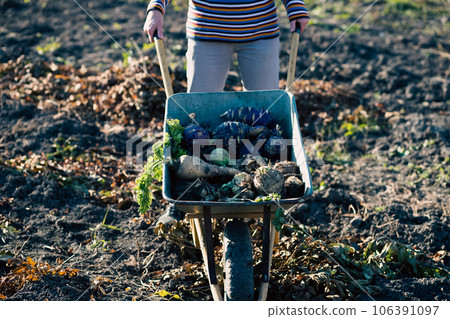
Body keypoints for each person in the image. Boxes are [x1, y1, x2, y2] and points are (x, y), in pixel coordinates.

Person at [143, 0, 309, 93]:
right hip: (206, 35)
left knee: (264, 106)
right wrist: (156, 9)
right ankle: (202, 153)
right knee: (202, 106)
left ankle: (258, 154)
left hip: (260, 34)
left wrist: (294, 5)